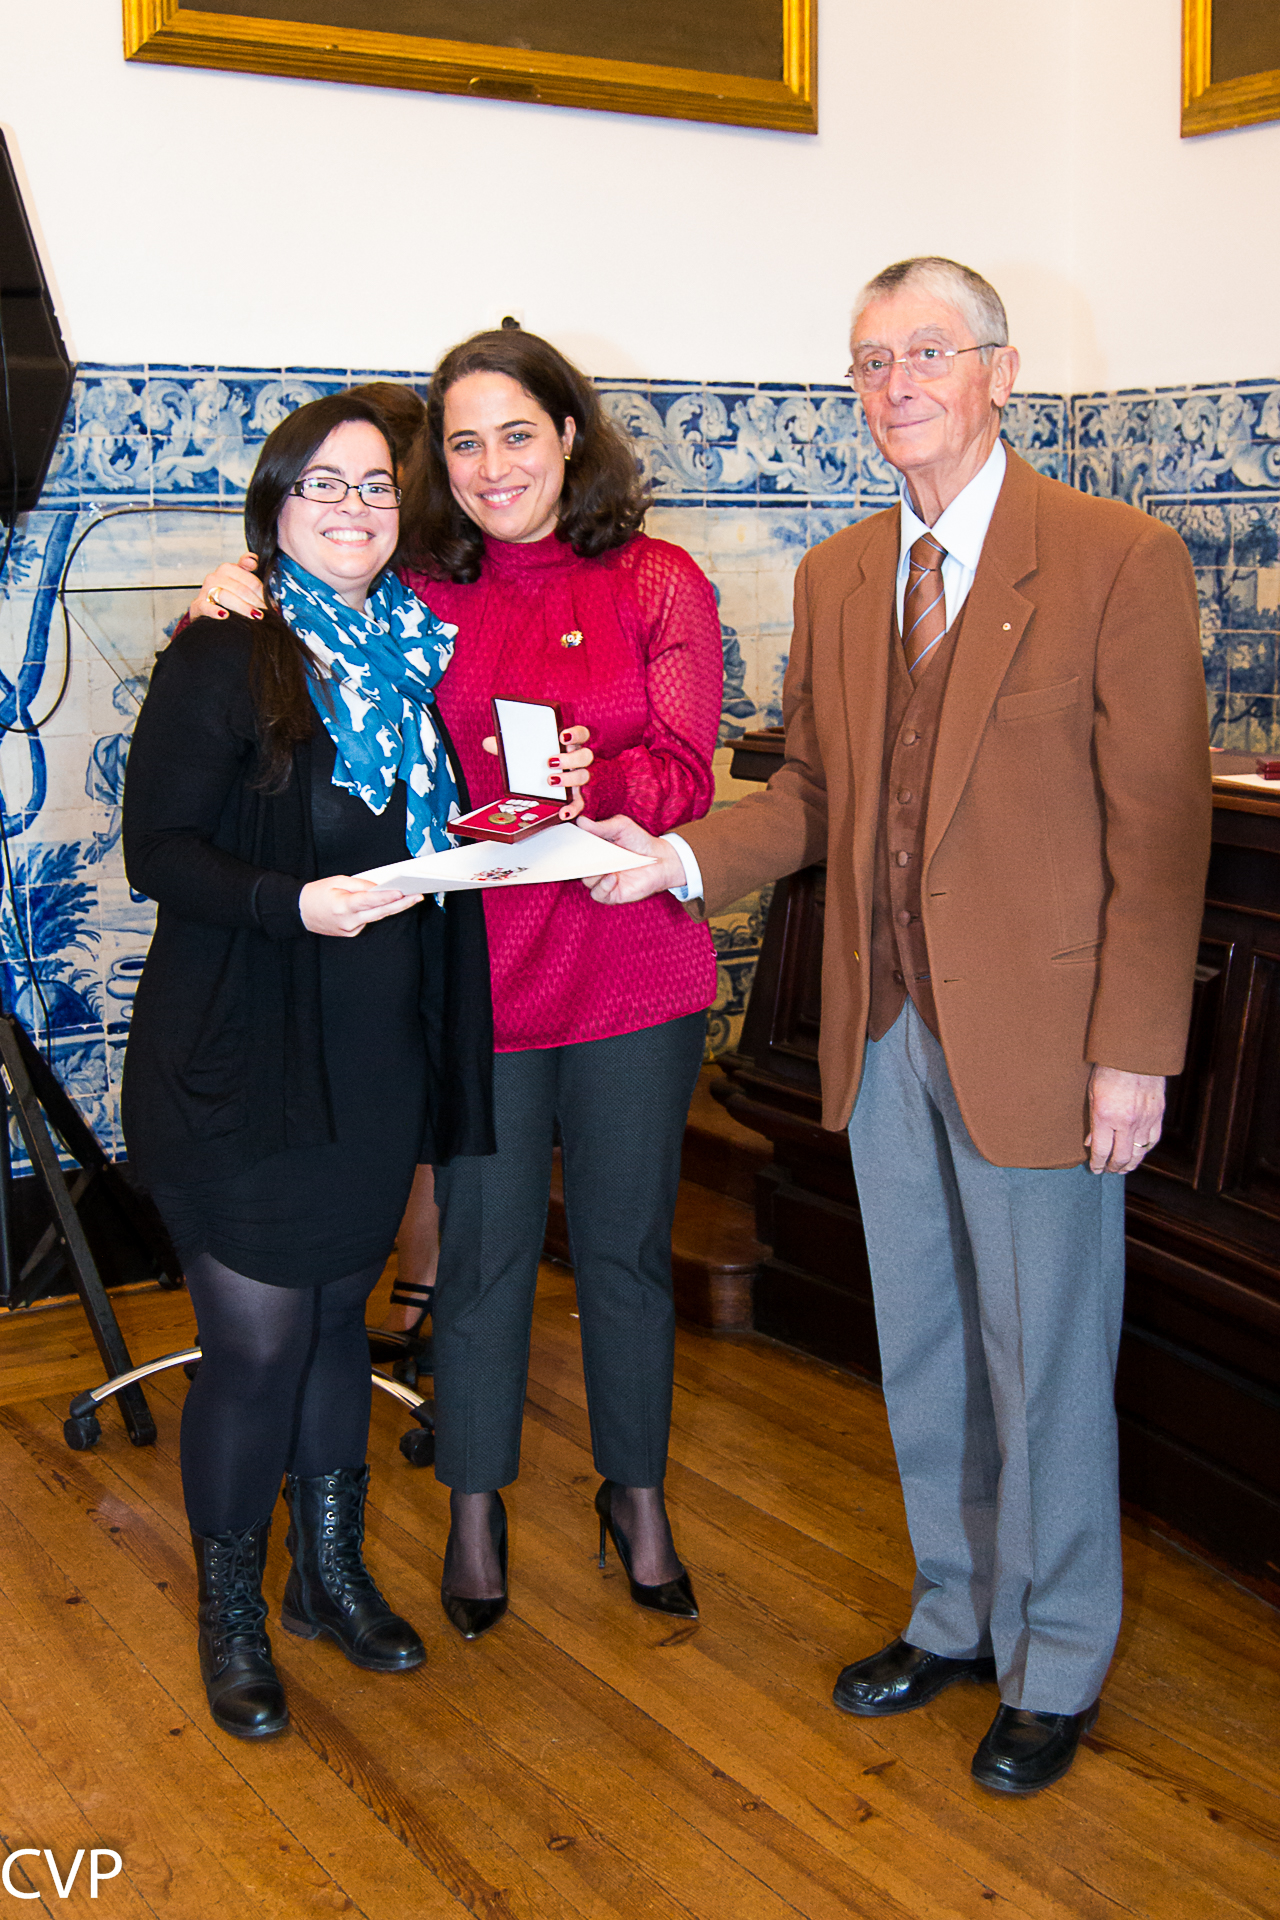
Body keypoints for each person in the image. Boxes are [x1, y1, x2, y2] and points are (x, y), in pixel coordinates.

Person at [579, 258, 1212, 1794]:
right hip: (883, 1026)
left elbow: (1162, 828)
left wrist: (1135, 1051)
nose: (896, 385)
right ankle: (954, 1617)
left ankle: (1056, 1661)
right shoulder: (844, 574)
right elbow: (812, 794)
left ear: (1001, 370)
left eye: (927, 352)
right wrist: (676, 859)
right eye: (870, 361)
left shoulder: (1116, 556)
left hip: (1050, 1040)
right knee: (925, 1345)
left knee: (1043, 1363)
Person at [190, 328, 725, 1638]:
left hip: (631, 963)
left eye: (517, 435)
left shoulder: (657, 579)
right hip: (481, 972)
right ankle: (474, 1506)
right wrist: (230, 591)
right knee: (480, 1253)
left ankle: (637, 1495)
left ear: (570, 437)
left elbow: (684, 766)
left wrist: (598, 785)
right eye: (465, 442)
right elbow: (302, 627)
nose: (492, 467)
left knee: (626, 1252)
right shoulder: (416, 590)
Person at [124, 393, 494, 1738]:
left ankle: (326, 1578)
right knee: (257, 1343)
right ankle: (229, 1613)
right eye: (323, 484)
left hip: (372, 1057)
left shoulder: (410, 655)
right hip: (239, 1058)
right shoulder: (228, 653)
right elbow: (158, 852)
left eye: (377, 485)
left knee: (339, 1319)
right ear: (275, 505)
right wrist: (294, 903)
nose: (354, 506)